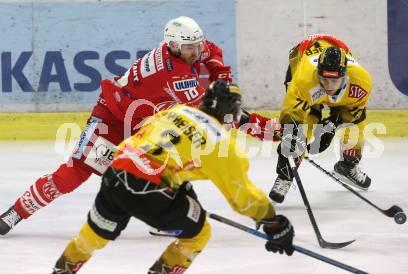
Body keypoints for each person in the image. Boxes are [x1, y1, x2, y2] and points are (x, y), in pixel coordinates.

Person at [0, 16, 234, 235]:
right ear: (173, 46)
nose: (197, 51)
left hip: (141, 123)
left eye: (197, 45)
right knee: (75, 172)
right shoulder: (176, 75)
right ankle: (15, 213)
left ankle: (165, 218)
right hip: (111, 119)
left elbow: (211, 50)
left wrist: (220, 78)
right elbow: (207, 110)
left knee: (165, 167)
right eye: (190, 47)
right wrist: (231, 112)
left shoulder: (179, 50)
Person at [50, 80, 294, 274]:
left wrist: (180, 187)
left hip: (115, 174)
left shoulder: (176, 112)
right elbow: (243, 198)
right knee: (199, 233)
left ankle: (62, 269)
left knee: (94, 234)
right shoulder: (221, 143)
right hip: (149, 190)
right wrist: (272, 222)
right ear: (231, 113)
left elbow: (139, 141)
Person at [270, 34, 372, 203]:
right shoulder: (304, 80)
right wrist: (292, 141)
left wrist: (334, 122)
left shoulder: (361, 82)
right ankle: (285, 176)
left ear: (345, 75)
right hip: (301, 55)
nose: (329, 86)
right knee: (303, 128)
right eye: (324, 79)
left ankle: (348, 165)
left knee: (358, 126)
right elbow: (291, 113)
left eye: (334, 81)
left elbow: (353, 113)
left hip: (333, 51)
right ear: (318, 73)